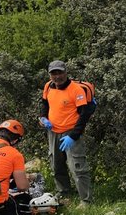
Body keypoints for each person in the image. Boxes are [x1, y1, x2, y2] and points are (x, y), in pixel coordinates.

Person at [39, 59, 94, 206]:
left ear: (65, 72)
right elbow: (44, 103)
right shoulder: (48, 87)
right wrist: (43, 118)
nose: (57, 76)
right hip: (53, 132)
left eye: (60, 72)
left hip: (71, 133)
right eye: (53, 73)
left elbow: (84, 115)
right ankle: (63, 192)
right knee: (57, 165)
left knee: (77, 167)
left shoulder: (76, 90)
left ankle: (86, 200)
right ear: (50, 75)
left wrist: (73, 135)